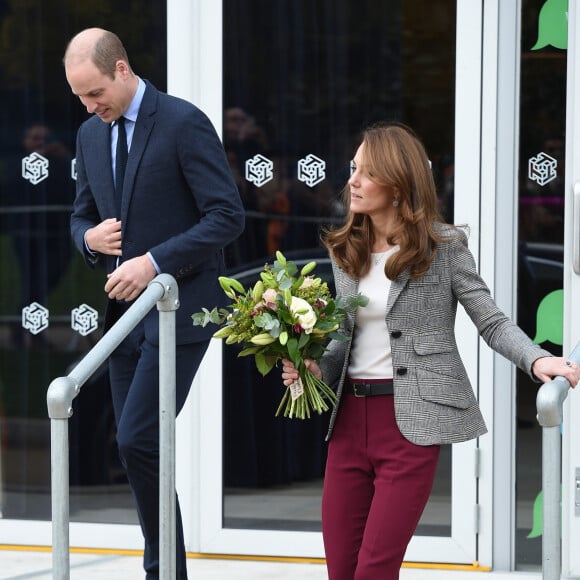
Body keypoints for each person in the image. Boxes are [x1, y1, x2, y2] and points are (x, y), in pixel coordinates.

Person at [281, 122, 580, 580]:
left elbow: (491, 320)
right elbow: (342, 338)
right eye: (352, 169)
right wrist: (312, 368)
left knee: (374, 571)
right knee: (342, 570)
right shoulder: (347, 250)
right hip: (347, 426)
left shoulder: (444, 249)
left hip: (409, 426)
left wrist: (537, 358)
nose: (352, 181)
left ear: (398, 185)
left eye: (366, 172)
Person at [63, 28, 245, 579]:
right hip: (124, 321)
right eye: (79, 97)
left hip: (180, 310)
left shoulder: (183, 122)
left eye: (94, 92)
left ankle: (162, 570)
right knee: (139, 448)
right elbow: (80, 216)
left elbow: (226, 216)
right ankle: (167, 569)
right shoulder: (90, 135)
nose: (90, 106)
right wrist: (88, 240)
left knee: (138, 437)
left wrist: (155, 262)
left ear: (122, 68)